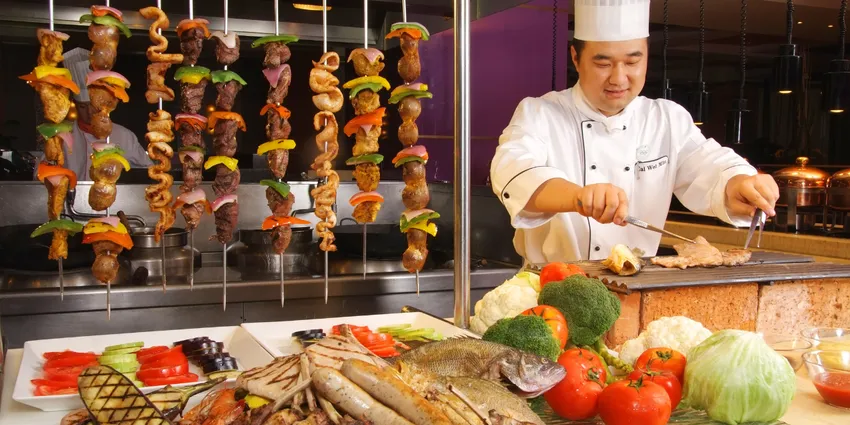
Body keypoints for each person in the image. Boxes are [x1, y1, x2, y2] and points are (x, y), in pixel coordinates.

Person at [489, 0, 779, 265]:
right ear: (576, 58)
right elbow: (513, 171)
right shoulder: (540, 113)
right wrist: (579, 196)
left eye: (632, 62)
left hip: (638, 288)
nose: (618, 78)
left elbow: (710, 166)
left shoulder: (666, 118)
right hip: (552, 286)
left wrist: (740, 183)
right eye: (603, 63)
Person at [61, 47, 150, 180]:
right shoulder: (62, 138)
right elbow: (40, 177)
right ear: (75, 104)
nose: (90, 112)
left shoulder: (125, 136)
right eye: (83, 107)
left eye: (94, 106)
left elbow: (147, 174)